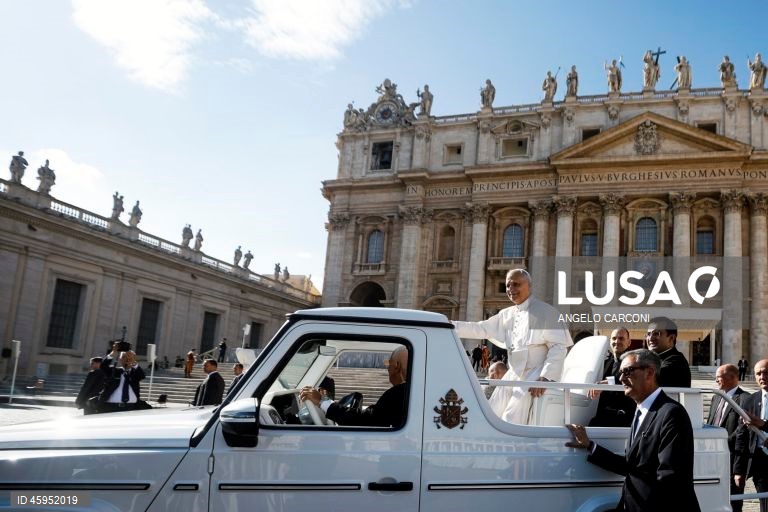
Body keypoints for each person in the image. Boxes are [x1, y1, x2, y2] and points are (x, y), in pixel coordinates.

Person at [566, 349, 700, 512]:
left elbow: (670, 480)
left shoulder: (671, 414)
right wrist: (590, 446)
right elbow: (633, 467)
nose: (621, 378)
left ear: (649, 373)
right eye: (621, 372)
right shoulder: (639, 412)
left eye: (628, 371)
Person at [453, 268, 573, 424]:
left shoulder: (547, 312)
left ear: (529, 286)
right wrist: (448, 325)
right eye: (508, 285)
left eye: (516, 284)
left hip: (535, 374)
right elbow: (480, 328)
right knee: (492, 410)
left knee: (512, 416)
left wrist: (545, 377)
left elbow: (558, 347)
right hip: (514, 373)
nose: (511, 289)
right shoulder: (506, 314)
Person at [299, 346, 408, 428]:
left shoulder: (399, 394)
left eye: (389, 364)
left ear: (397, 366)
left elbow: (366, 421)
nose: (387, 369)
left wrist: (322, 401)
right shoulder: (407, 392)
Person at [708, 364, 747, 512]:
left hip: (732, 456)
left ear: (732, 378)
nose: (716, 380)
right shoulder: (716, 398)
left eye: (718, 377)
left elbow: (741, 431)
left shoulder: (744, 399)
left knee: (733, 500)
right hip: (713, 457)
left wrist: (721, 441)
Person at [734, 359, 768, 512]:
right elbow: (742, 436)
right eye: (758, 373)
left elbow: (761, 424)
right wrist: (739, 470)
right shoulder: (750, 400)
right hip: (760, 461)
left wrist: (764, 424)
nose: (762, 376)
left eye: (766, 372)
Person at [589, 327, 636, 427]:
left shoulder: (634, 360)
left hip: (624, 414)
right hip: (603, 412)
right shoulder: (606, 361)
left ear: (629, 342)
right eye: (614, 338)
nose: (617, 341)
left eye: (621, 338)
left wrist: (608, 382)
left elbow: (632, 376)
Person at [644, 316, 691, 387]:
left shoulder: (676, 362)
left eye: (656, 333)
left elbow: (647, 377)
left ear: (671, 338)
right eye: (648, 334)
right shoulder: (655, 359)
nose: (650, 338)